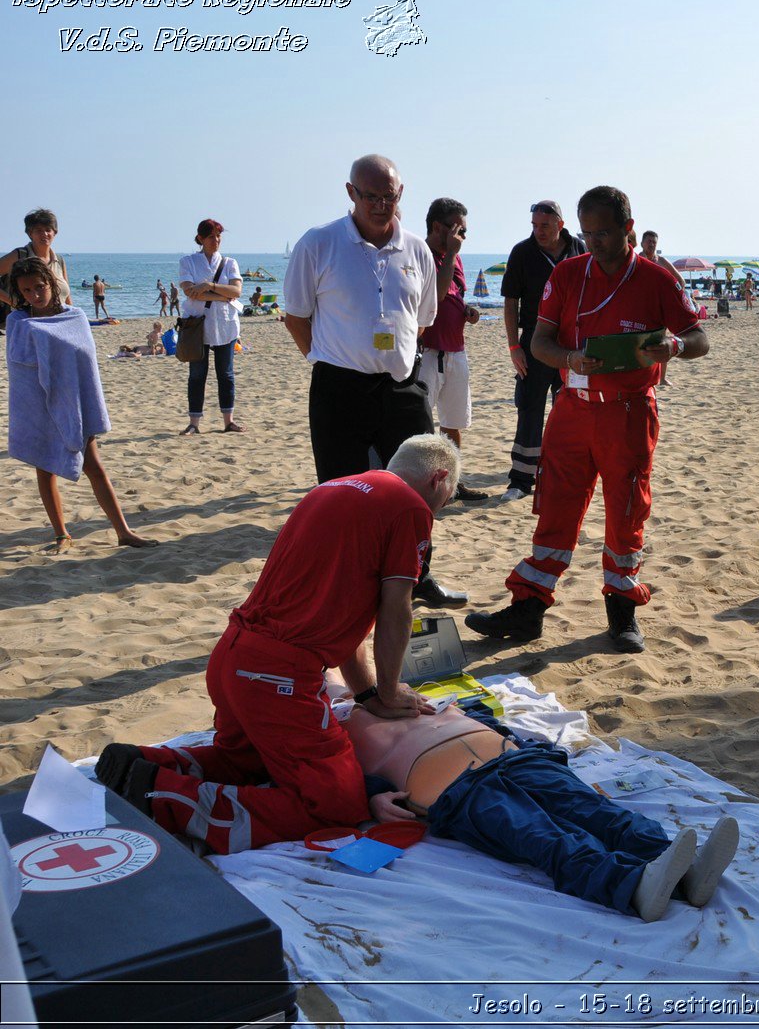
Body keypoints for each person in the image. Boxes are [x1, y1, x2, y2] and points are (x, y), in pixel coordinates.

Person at [93, 435, 459, 854]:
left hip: (235, 655)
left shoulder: (334, 488)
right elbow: (397, 609)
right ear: (439, 478)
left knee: (246, 762)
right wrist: (391, 692)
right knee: (335, 805)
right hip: (276, 675)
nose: (436, 514)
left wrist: (369, 694)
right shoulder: (409, 506)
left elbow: (350, 623)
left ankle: (146, 764)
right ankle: (162, 796)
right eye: (443, 504)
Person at [466, 185, 709, 654]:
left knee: (626, 510)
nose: (594, 242)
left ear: (628, 229)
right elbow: (541, 343)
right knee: (555, 506)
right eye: (587, 232)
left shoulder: (657, 280)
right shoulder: (568, 274)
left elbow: (699, 338)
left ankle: (622, 612)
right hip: (572, 410)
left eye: (604, 233)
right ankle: (528, 609)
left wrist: (675, 347)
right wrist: (571, 359)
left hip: (629, 413)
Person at [339, 695, 740, 921]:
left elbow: (484, 716)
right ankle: (633, 887)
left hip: (515, 759)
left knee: (597, 812)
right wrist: (372, 795)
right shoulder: (330, 725)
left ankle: (682, 868)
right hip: (453, 789)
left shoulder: (400, 688)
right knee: (544, 836)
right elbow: (336, 778)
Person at [281, 153, 467, 610]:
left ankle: (419, 576)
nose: (382, 205)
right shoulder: (319, 243)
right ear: (351, 194)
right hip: (339, 387)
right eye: (371, 197)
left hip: (402, 388)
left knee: (421, 489)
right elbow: (295, 316)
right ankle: (348, 582)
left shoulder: (417, 250)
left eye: (390, 196)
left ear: (400, 195)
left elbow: (421, 320)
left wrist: (390, 357)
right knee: (342, 492)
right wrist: (326, 358)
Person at [5, 258, 156, 552]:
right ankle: (61, 534)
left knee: (94, 466)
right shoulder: (17, 322)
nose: (35, 295)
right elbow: (19, 368)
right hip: (36, 404)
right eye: (27, 291)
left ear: (51, 283)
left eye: (39, 287)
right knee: (44, 468)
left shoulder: (75, 316)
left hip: (75, 402)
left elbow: (85, 364)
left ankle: (123, 531)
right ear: (20, 293)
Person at [501, 200, 585, 502]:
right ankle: (521, 481)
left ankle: (561, 474)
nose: (539, 231)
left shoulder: (579, 248)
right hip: (534, 344)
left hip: (571, 346)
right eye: (534, 225)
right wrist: (514, 347)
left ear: (560, 224)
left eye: (545, 226)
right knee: (529, 409)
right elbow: (510, 302)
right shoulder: (522, 252)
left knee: (569, 412)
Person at [420, 197, 489, 503]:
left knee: (454, 423)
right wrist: (450, 256)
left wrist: (466, 310)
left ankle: (454, 483)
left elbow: (452, 295)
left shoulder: (454, 257)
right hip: (427, 352)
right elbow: (433, 297)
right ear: (438, 227)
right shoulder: (420, 254)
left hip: (455, 351)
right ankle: (419, 484)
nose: (462, 237)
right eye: (459, 229)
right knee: (420, 424)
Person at [176, 219, 245, 435]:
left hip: (225, 325)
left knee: (226, 374)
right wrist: (221, 295)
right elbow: (188, 290)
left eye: (218, 236)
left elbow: (236, 292)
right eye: (211, 237)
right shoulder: (188, 262)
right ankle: (194, 424)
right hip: (198, 325)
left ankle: (228, 422)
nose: (216, 241)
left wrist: (209, 286)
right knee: (197, 375)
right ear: (200, 239)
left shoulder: (229, 262)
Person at [0, 208, 72, 335]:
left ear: (54, 233)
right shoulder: (20, 255)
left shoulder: (59, 260)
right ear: (30, 233)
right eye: (38, 230)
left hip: (58, 325)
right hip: (28, 326)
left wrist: (72, 318)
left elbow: (67, 299)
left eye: (48, 230)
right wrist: (15, 302)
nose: (44, 234)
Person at [639, 231, 684, 388]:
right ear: (642, 243)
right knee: (640, 341)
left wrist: (671, 298)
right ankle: (643, 375)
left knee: (662, 342)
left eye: (654, 242)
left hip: (659, 308)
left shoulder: (662, 261)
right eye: (649, 241)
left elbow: (680, 281)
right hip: (640, 307)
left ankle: (662, 378)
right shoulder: (636, 260)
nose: (651, 244)